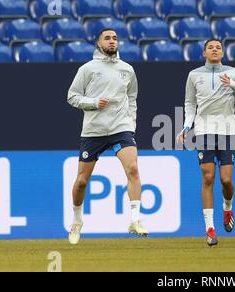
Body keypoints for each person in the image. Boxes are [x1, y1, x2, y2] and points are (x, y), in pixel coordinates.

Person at [66, 28, 148, 245]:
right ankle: (76, 221)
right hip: (93, 131)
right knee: (82, 181)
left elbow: (132, 97)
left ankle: (135, 220)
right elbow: (71, 97)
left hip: (121, 128)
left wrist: (131, 123)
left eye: (114, 38)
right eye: (107, 38)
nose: (112, 41)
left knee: (132, 168)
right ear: (98, 43)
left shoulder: (127, 70)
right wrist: (93, 103)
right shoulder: (87, 69)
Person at [176, 39, 235, 246]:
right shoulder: (194, 75)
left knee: (226, 181)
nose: (214, 50)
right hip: (203, 131)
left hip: (228, 131)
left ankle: (227, 208)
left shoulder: (233, 73)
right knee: (208, 177)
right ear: (203, 53)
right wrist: (186, 126)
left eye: (218, 47)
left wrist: (233, 84)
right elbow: (190, 103)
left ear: (223, 52)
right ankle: (210, 228)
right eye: (210, 47)